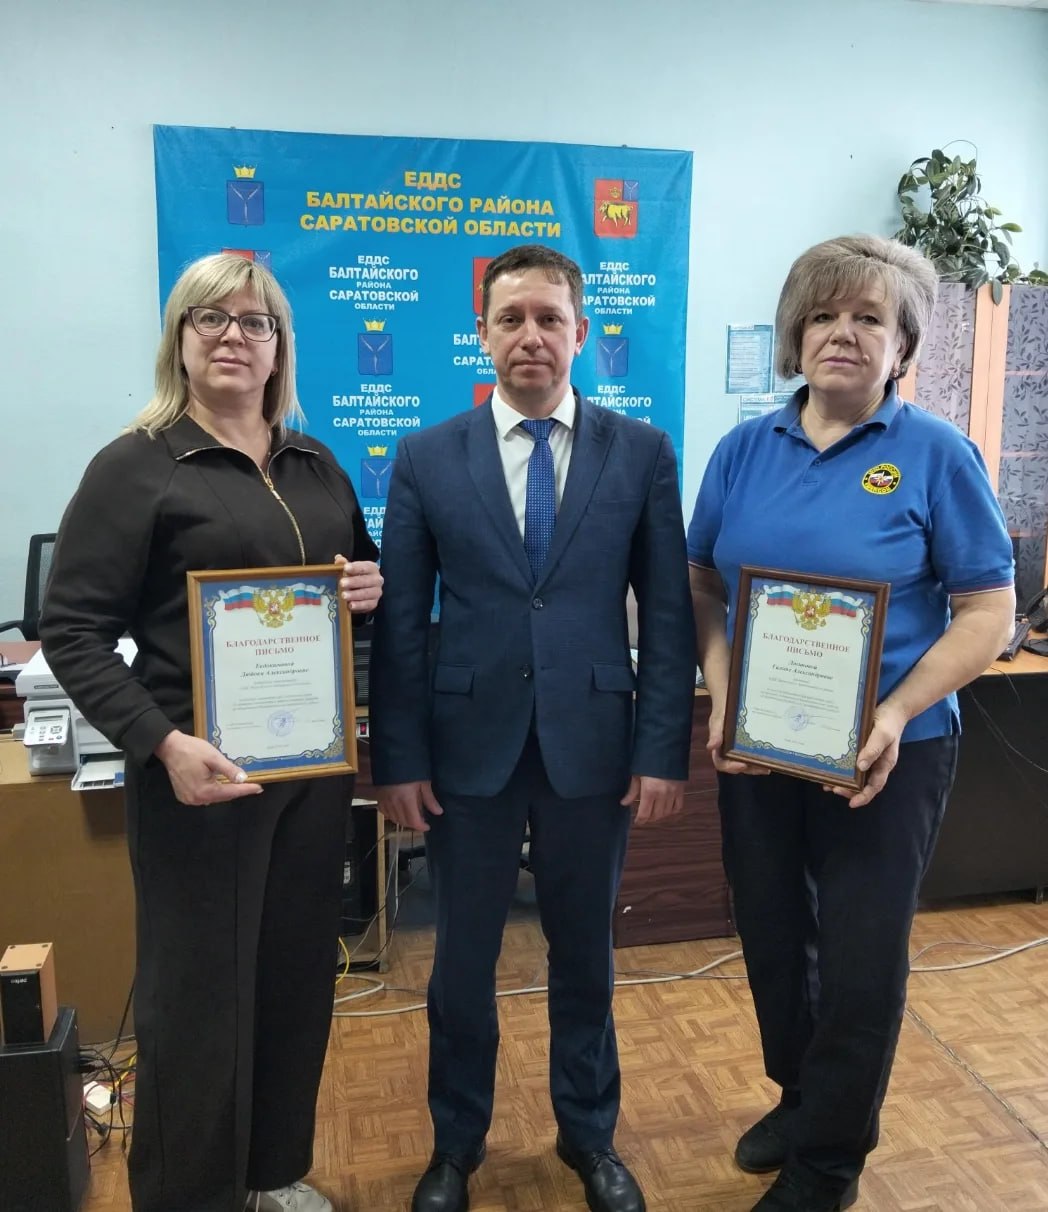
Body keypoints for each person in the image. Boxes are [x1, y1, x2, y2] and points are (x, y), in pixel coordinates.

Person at [39, 253, 383, 1212]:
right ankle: (190, 1197)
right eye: (211, 319)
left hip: (310, 779)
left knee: (293, 985)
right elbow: (71, 629)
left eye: (255, 322)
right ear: (180, 339)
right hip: (196, 782)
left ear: (280, 348)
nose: (234, 336)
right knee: (196, 1006)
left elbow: (359, 592)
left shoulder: (316, 465)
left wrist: (370, 588)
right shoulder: (137, 465)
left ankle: (269, 1176)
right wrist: (161, 743)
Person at [687, 235, 1015, 1212]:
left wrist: (895, 712)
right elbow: (701, 582)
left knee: (861, 958)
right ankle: (802, 1100)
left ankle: (828, 1161)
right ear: (795, 336)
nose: (843, 332)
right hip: (761, 747)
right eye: (824, 315)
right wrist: (721, 688)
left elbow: (987, 612)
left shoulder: (937, 455)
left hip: (891, 755)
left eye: (869, 317)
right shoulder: (744, 450)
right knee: (772, 935)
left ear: (901, 344)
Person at [369, 244, 695, 1212]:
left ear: (580, 332)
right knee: (461, 966)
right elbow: (402, 624)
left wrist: (661, 749)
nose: (530, 336)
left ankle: (589, 1136)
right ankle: (454, 1146)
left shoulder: (641, 452)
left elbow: (667, 615)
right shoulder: (427, 456)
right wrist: (398, 759)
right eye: (510, 318)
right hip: (466, 752)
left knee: (584, 957)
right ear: (481, 334)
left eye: (549, 318)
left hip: (592, 748)